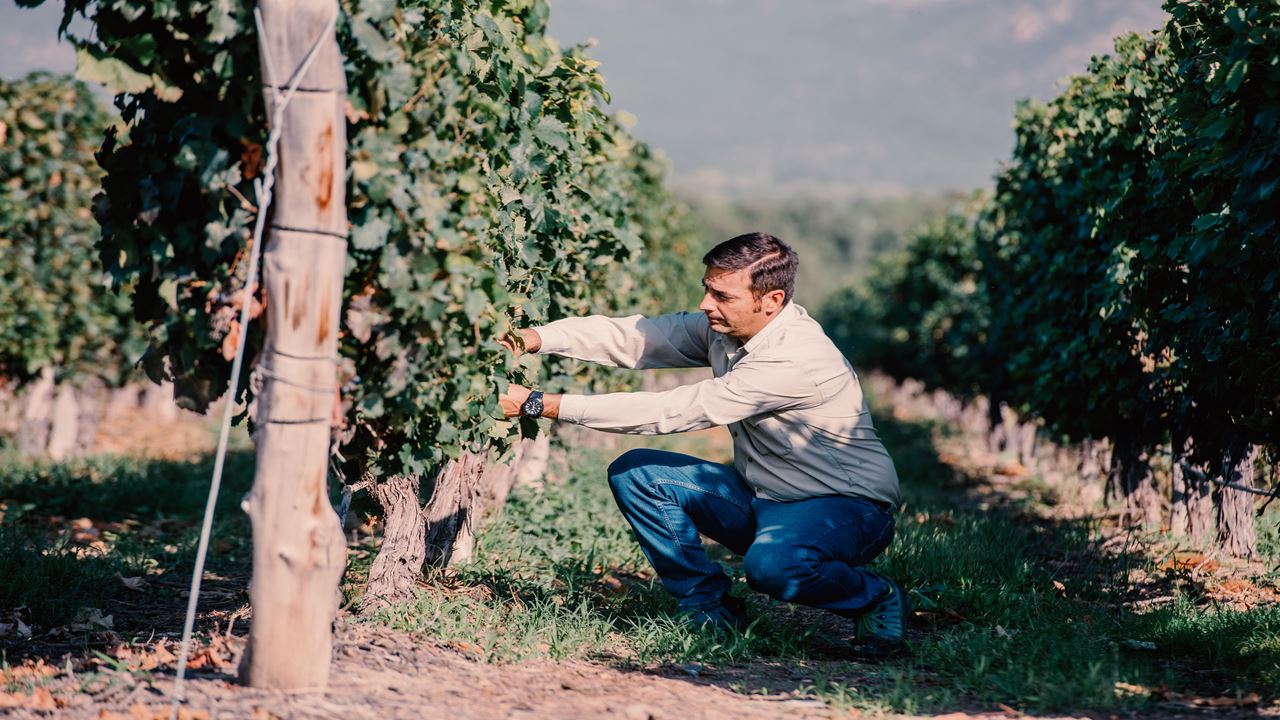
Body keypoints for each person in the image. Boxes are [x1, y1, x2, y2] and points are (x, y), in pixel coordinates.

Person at [498, 232, 906, 655]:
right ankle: (709, 607)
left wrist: (535, 403)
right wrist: (531, 338)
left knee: (774, 566)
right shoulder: (729, 329)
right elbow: (638, 337)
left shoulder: (794, 358)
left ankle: (874, 595)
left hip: (846, 507)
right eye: (707, 289)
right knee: (639, 473)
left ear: (771, 299)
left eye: (723, 296)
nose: (706, 305)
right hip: (765, 498)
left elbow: (677, 410)